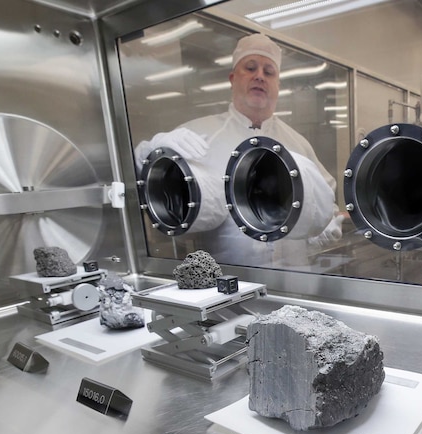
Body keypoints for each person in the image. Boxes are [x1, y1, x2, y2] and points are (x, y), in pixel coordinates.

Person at [134, 33, 338, 267]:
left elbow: (327, 197)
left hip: (294, 280)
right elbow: (143, 185)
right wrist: (150, 151)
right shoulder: (197, 134)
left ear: (278, 85)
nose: (259, 76)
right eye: (250, 68)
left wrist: (325, 223)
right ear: (232, 78)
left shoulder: (298, 143)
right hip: (229, 282)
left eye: (269, 72)